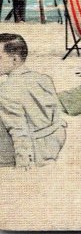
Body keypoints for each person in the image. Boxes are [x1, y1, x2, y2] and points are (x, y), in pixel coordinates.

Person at [0, 33, 67, 168]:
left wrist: (23, 166)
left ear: (14, 59)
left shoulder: (7, 89)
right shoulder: (43, 78)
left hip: (32, 152)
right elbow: (57, 118)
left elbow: (19, 132)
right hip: (52, 145)